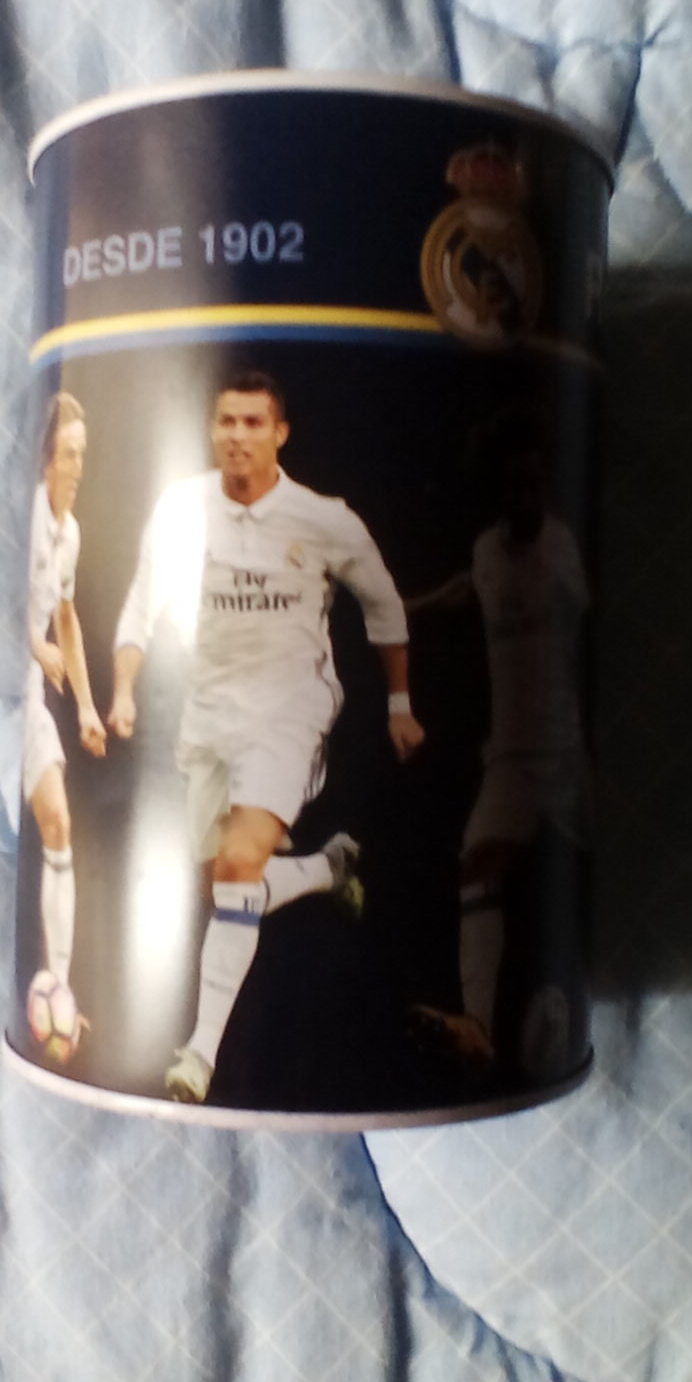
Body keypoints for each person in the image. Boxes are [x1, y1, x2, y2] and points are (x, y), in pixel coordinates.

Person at [108, 370, 425, 1103]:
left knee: (238, 865)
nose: (238, 436)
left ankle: (199, 1055)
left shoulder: (323, 519)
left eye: (253, 423)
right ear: (211, 431)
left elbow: (384, 606)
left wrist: (400, 706)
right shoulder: (181, 506)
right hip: (208, 717)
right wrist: (123, 689)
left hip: (290, 711)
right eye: (227, 422)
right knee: (220, 886)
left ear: (280, 434)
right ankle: (326, 870)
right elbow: (141, 604)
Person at [408, 411, 590, 1071]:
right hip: (512, 758)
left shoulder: (562, 550)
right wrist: (406, 609)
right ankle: (480, 1027)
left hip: (569, 755)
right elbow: (471, 590)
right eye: (515, 486)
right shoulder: (487, 550)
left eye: (535, 484)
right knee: (478, 866)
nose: (526, 496)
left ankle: (564, 1011)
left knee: (588, 874)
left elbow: (589, 626)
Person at [23, 391, 107, 1053]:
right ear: (46, 458)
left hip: (28, 695)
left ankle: (60, 988)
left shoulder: (69, 533)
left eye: (83, 455)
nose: (78, 468)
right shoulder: (19, 517)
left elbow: (68, 621)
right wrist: (34, 643)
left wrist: (85, 706)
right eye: (69, 454)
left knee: (58, 821)